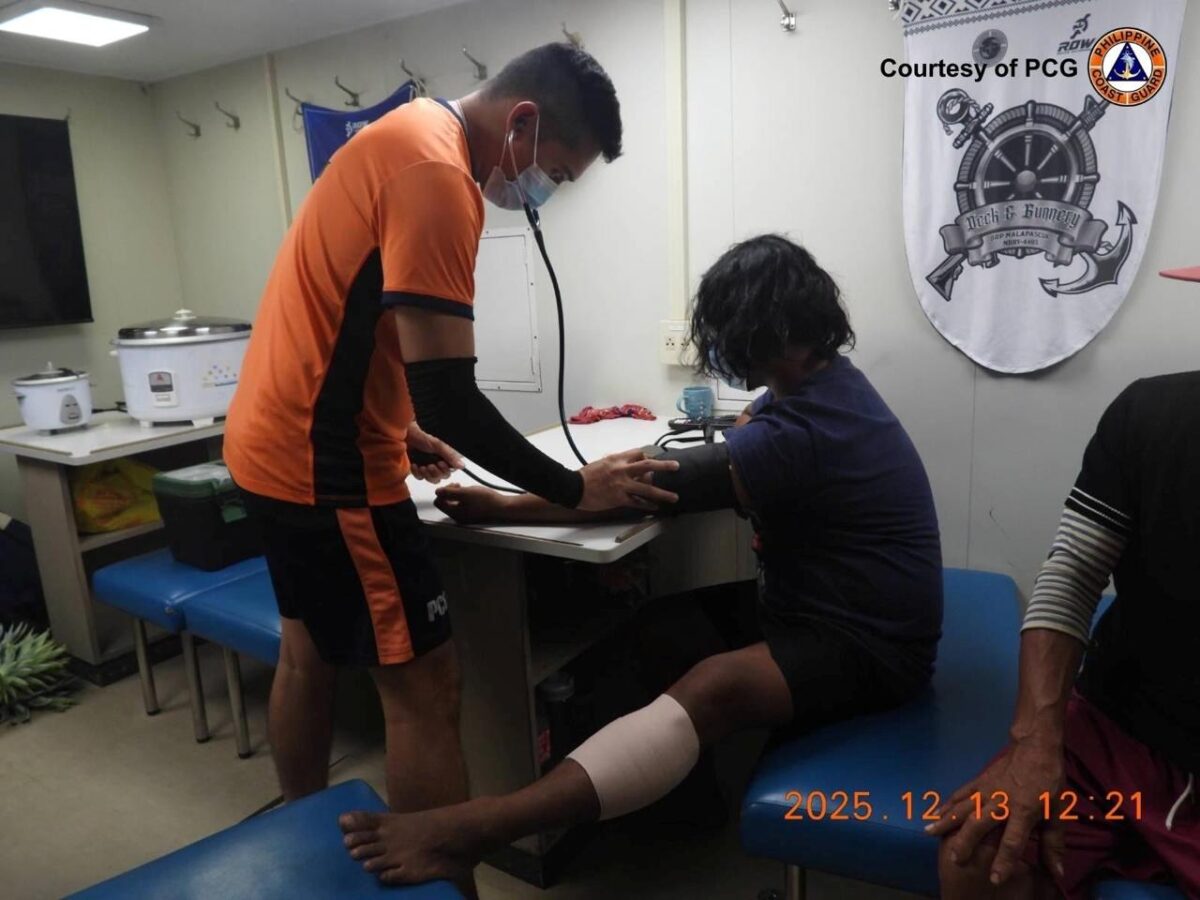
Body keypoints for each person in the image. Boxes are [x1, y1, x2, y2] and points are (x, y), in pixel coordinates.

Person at [335, 234, 945, 886]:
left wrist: (500, 506)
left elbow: (639, 492)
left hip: (873, 647)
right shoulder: (824, 389)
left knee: (714, 686)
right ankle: (684, 805)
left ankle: (480, 825)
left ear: (774, 335)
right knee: (661, 631)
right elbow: (740, 442)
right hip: (827, 607)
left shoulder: (799, 432)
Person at [222, 42, 679, 890]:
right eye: (558, 173)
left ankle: (298, 834)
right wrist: (575, 489)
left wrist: (394, 430)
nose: (546, 193)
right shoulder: (435, 175)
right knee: (428, 685)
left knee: (307, 649)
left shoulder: (403, 134)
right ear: (524, 121)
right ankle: (443, 883)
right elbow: (454, 401)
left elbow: (352, 319)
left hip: (269, 442)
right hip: (324, 468)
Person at [933, 268, 1200, 899]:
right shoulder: (1152, 416)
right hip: (1122, 734)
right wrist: (1034, 743)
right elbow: (1073, 573)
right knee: (980, 855)